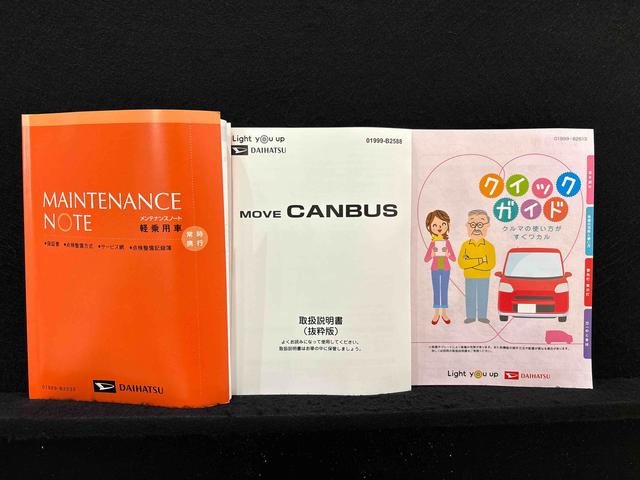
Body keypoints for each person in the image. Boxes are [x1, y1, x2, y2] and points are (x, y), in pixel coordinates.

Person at [457, 209, 496, 324]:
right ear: (467, 226)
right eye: (472, 224)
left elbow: (490, 264)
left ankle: (482, 316)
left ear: (487, 226)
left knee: (483, 296)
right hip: (469, 276)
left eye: (480, 224)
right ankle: (470, 316)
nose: (476, 228)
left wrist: (470, 261)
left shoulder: (489, 246)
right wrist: (481, 260)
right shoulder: (465, 245)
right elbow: (462, 263)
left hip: (484, 276)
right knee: (470, 296)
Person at [424, 210, 456, 325]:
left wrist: (448, 254)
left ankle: (444, 313)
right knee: (436, 290)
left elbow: (453, 258)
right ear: (430, 227)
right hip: (435, 269)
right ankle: (436, 313)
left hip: (446, 268)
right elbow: (426, 259)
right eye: (435, 225)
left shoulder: (447, 242)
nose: (439, 227)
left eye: (443, 224)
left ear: (447, 225)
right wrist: (432, 254)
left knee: (444, 289)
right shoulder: (433, 243)